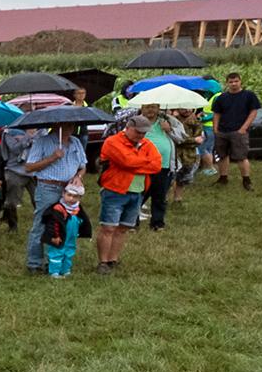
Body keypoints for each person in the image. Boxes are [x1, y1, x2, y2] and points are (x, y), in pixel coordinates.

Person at [95, 114, 162, 274]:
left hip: (137, 192)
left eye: (144, 133)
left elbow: (156, 165)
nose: (141, 136)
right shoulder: (112, 142)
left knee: (123, 228)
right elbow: (126, 161)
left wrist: (134, 164)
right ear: (128, 128)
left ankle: (113, 260)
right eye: (138, 132)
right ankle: (103, 262)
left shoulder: (147, 144)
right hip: (114, 190)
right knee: (109, 228)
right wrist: (142, 162)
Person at [20, 124, 88, 273]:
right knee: (42, 223)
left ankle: (54, 261)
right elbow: (29, 167)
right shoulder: (42, 141)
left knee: (64, 225)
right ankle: (35, 263)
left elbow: (83, 165)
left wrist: (78, 176)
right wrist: (52, 158)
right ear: (57, 125)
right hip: (48, 187)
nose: (71, 128)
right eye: (67, 125)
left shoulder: (75, 142)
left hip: (68, 190)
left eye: (72, 125)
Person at [209, 71, 258, 189]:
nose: (234, 84)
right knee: (222, 156)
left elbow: (254, 111)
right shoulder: (222, 97)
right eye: (231, 82)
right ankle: (223, 178)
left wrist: (243, 128)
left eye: (236, 81)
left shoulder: (249, 95)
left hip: (239, 131)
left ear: (240, 81)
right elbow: (216, 113)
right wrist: (215, 128)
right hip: (222, 131)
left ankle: (246, 180)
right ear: (227, 83)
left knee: (241, 157)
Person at [43, 179, 88, 278]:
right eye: (69, 195)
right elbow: (53, 224)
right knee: (57, 251)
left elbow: (82, 221)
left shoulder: (77, 209)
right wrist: (55, 236)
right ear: (63, 194)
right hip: (59, 235)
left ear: (79, 197)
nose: (71, 198)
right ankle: (54, 271)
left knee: (69, 251)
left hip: (71, 236)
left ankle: (65, 270)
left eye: (75, 196)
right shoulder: (58, 209)